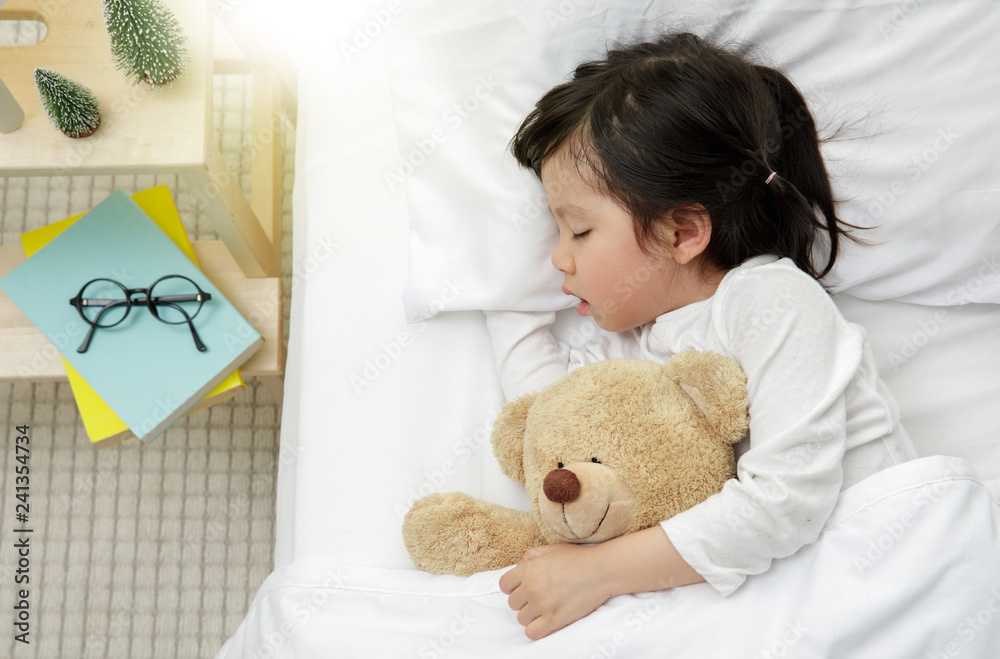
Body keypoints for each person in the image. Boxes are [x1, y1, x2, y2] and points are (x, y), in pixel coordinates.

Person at [484, 32, 917, 640]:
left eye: (578, 232)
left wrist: (599, 572)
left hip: (878, 558)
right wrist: (502, 302)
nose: (558, 258)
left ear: (682, 231)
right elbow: (553, 417)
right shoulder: (643, 339)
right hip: (779, 584)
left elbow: (787, 501)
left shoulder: (770, 300)